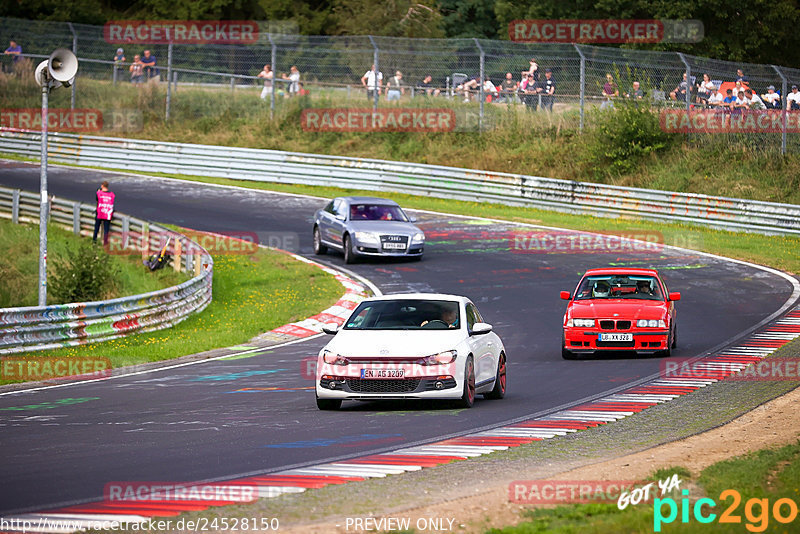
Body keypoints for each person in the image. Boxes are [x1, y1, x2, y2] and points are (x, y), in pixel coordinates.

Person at [93, 181, 115, 245]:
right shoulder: (111, 194)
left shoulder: (99, 193)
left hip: (100, 212)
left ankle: (94, 241)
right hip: (107, 213)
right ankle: (105, 243)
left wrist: (98, 191)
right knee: (106, 229)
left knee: (96, 228)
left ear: (102, 186)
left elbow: (97, 199)